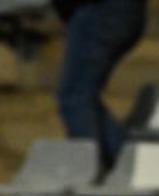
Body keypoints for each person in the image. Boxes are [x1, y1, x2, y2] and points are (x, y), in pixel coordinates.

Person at [54, 0, 147, 165]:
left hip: (100, 10)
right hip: (119, 10)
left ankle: (95, 169)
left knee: (75, 96)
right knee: (80, 96)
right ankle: (129, 167)